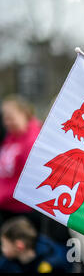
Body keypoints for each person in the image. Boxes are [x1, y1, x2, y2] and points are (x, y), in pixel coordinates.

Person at [0, 95, 41, 228]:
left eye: (10, 117)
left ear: (24, 114)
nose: (6, 122)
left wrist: (2, 195)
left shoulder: (32, 141)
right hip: (7, 207)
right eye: (5, 118)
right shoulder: (11, 138)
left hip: (23, 211)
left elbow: (31, 180)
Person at [0, 216, 72, 273]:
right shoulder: (6, 264)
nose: (2, 248)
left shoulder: (51, 260)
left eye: (4, 245)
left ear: (19, 246)